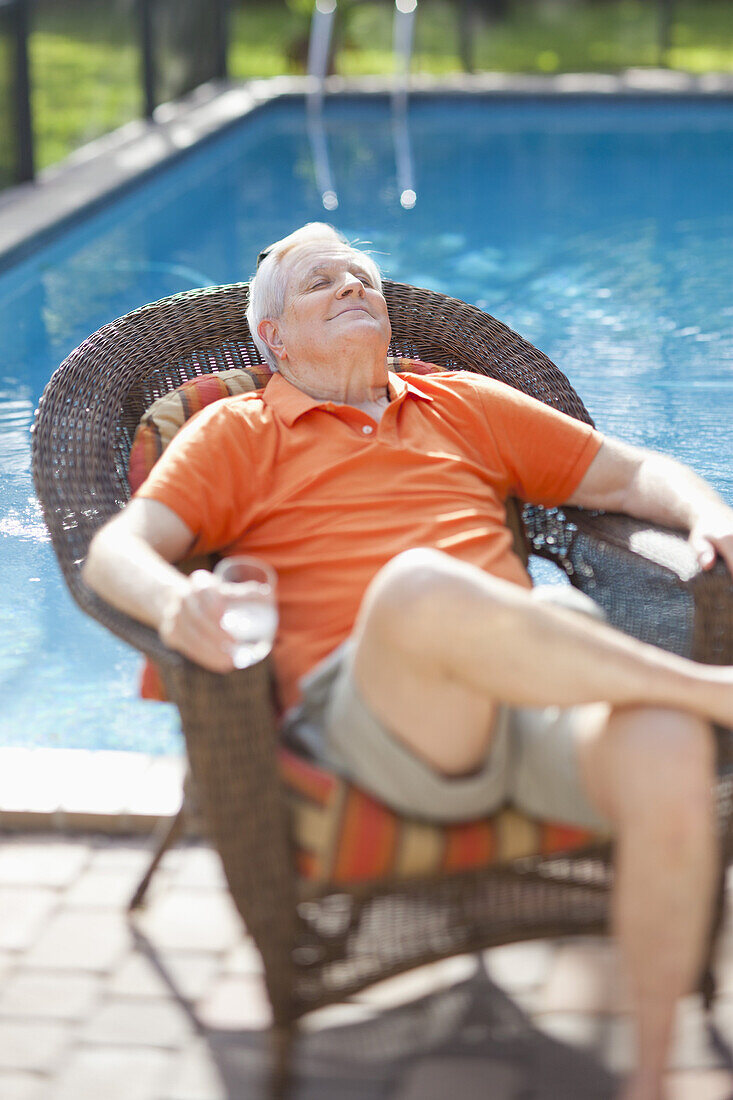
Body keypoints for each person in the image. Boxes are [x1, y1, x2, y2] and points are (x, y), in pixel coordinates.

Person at [84, 222, 733, 1100]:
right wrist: (174, 600)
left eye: (363, 278)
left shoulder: (460, 401)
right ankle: (712, 693)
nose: (353, 287)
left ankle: (650, 1079)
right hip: (377, 724)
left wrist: (707, 514)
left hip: (529, 704)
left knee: (665, 743)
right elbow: (117, 553)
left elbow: (626, 477)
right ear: (271, 338)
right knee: (421, 587)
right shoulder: (234, 433)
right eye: (323, 283)